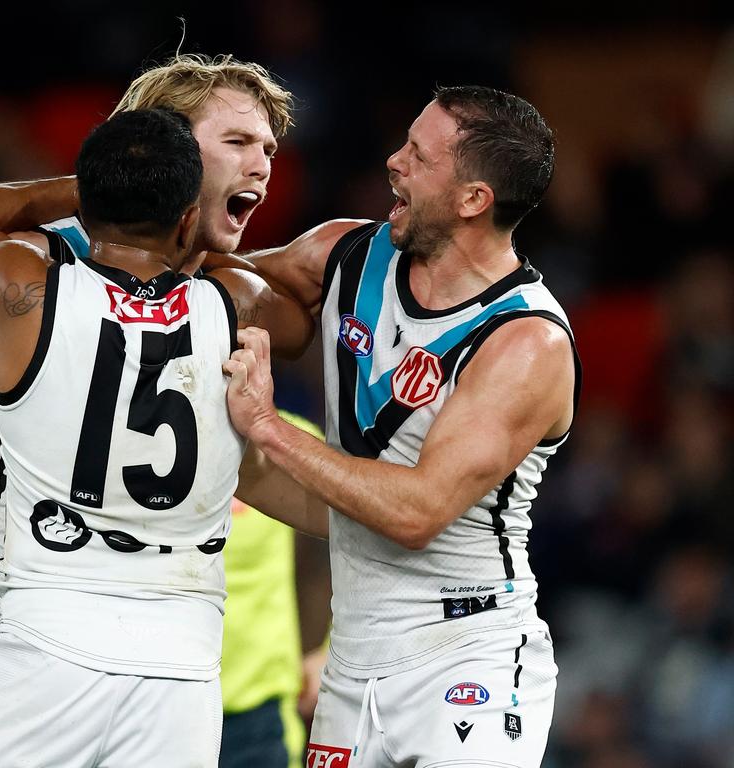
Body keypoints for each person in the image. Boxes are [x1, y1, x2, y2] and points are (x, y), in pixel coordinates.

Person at [0, 54, 300, 768]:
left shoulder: (230, 294)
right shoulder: (40, 262)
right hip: (17, 603)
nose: (262, 167)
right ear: (170, 145)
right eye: (239, 143)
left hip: (168, 630)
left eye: (270, 150)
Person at [227, 86, 581, 767]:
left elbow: (417, 511)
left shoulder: (525, 341)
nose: (393, 162)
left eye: (418, 155)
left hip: (465, 656)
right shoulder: (343, 257)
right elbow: (208, 289)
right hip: (351, 659)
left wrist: (269, 428)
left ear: (473, 199)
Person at [219, 409, 325, 768]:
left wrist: (330, 647)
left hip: (259, 706)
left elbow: (349, 548)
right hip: (156, 698)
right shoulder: (133, 431)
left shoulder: (290, 438)